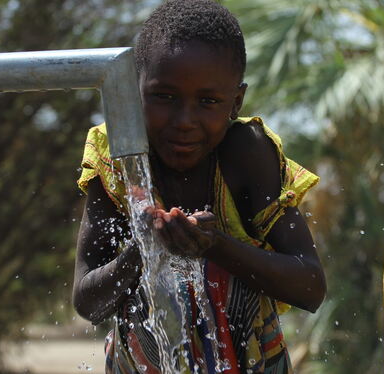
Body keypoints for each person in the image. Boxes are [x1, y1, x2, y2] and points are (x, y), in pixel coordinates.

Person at [72, 1, 326, 373]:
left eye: (208, 101)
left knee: (218, 274)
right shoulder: (118, 157)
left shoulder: (246, 153)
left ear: (235, 102)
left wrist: (217, 246)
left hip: (246, 360)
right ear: (133, 91)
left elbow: (311, 287)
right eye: (164, 97)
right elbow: (87, 301)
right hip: (144, 361)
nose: (184, 121)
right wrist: (146, 248)